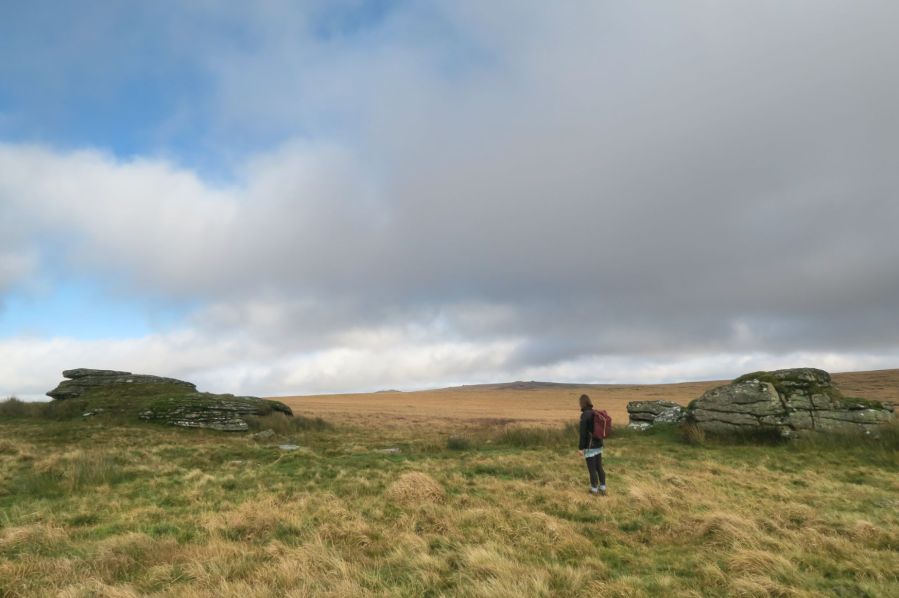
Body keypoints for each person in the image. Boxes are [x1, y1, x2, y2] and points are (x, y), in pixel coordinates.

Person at [578, 394, 607, 496]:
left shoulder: (585, 415)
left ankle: (594, 490)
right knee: (599, 467)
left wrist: (581, 448)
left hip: (590, 446)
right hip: (599, 444)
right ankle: (603, 488)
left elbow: (583, 434)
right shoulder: (595, 413)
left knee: (592, 469)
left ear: (581, 403)